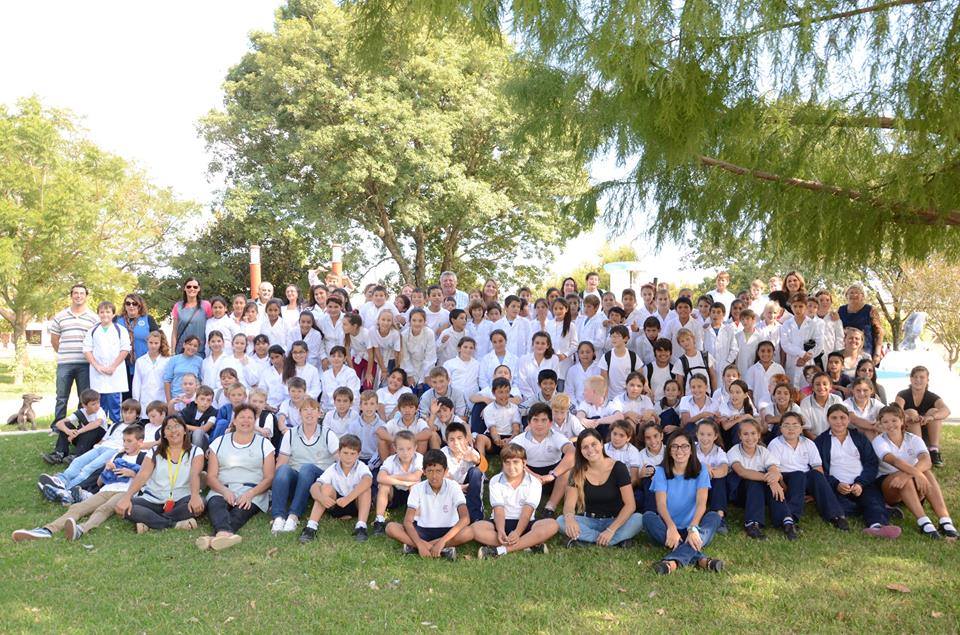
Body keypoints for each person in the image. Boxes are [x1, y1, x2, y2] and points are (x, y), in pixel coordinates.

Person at [13, 425, 147, 543]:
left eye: (129, 441)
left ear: (140, 442)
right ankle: (47, 530)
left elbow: (148, 482)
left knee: (104, 509)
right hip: (106, 489)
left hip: (125, 492)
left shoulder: (145, 458)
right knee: (78, 507)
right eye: (124, 440)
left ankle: (81, 529)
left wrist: (133, 474)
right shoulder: (117, 455)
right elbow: (100, 482)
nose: (125, 444)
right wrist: (106, 471)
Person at [643, 429, 724, 574]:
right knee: (648, 517)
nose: (679, 450)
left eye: (684, 446)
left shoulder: (701, 471)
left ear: (691, 450)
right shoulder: (660, 472)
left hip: (693, 527)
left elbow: (701, 504)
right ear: (669, 450)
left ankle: (672, 562)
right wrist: (671, 528)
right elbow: (661, 505)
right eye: (674, 446)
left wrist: (693, 528)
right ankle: (700, 559)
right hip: (668, 528)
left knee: (714, 517)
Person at [814, 404, 901, 539]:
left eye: (842, 417)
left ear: (848, 419)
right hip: (836, 486)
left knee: (871, 499)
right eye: (834, 418)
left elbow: (871, 463)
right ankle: (879, 508)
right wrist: (836, 484)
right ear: (828, 419)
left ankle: (877, 526)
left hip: (861, 484)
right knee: (840, 508)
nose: (838, 421)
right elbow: (819, 469)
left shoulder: (859, 437)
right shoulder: (821, 441)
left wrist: (860, 483)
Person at [198, 404, 276, 551]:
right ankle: (225, 535)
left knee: (240, 512)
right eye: (242, 417)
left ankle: (215, 537)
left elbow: (269, 477)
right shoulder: (219, 442)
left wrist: (250, 494)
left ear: (255, 421)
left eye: (250, 418)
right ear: (234, 420)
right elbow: (211, 477)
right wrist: (224, 491)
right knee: (216, 505)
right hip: (223, 487)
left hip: (251, 490)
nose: (246, 421)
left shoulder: (264, 444)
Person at [873, 405, 956, 538]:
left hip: (913, 484)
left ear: (902, 421)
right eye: (885, 422)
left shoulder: (913, 439)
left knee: (926, 473)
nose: (890, 425)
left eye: (894, 420)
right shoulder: (879, 441)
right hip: (889, 487)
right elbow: (894, 461)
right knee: (909, 474)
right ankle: (924, 522)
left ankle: (945, 520)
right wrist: (915, 474)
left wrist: (910, 475)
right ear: (881, 424)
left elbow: (927, 461)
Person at [38, 398, 141, 504]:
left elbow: (138, 445)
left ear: (137, 414)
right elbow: (104, 439)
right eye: (124, 412)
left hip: (114, 451)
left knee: (89, 468)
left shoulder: (137, 429)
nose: (127, 415)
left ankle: (66, 488)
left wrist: (120, 452)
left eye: (130, 413)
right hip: (101, 447)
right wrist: (96, 447)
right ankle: (61, 480)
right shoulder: (115, 425)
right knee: (78, 461)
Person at [114, 415, 205, 533]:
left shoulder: (196, 451)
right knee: (128, 506)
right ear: (164, 434)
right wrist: (127, 497)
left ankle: (150, 521)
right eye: (168, 428)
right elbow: (142, 475)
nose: (173, 430)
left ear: (184, 430)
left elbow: (195, 475)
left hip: (181, 499)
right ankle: (174, 524)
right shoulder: (154, 451)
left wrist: (195, 495)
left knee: (201, 501)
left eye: (177, 426)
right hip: (153, 499)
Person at [556, 429, 644, 548]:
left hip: (616, 521)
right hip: (589, 521)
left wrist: (610, 530)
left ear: (601, 444)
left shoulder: (618, 468)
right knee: (561, 521)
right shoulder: (577, 471)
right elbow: (569, 505)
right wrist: (570, 519)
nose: (590, 450)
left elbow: (630, 505)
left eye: (594, 444)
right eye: (585, 447)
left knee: (639, 519)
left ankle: (588, 540)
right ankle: (614, 541)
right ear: (580, 451)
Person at [385, 449, 475, 560]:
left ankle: (418, 547)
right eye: (430, 471)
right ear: (424, 471)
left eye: (438, 471)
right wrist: (420, 544)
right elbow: (408, 521)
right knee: (390, 528)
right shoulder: (417, 488)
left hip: (448, 531)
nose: (434, 476)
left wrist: (442, 541)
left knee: (469, 532)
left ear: (446, 471)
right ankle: (436, 549)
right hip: (423, 530)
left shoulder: (454, 486)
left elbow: (465, 518)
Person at [474, 443, 560, 559]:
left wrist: (518, 532)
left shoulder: (534, 482)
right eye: (507, 462)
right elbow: (499, 510)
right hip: (500, 523)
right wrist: (500, 531)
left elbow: (527, 512)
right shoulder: (495, 480)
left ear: (524, 463)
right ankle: (528, 544)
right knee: (476, 528)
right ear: (502, 463)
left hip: (526, 524)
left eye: (515, 462)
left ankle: (500, 550)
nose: (511, 467)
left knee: (552, 525)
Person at [767, 412, 847, 533]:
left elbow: (817, 468)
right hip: (784, 479)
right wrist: (784, 488)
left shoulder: (808, 443)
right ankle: (791, 518)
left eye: (795, 425)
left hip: (804, 478)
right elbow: (774, 471)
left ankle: (836, 515)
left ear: (801, 429)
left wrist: (814, 492)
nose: (791, 428)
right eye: (786, 425)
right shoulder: (775, 444)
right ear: (781, 428)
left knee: (816, 474)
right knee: (798, 475)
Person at [299, 434, 373, 543]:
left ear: (359, 454)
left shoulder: (361, 467)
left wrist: (347, 499)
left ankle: (361, 527)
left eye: (353, 453)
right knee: (325, 488)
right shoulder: (332, 468)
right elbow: (314, 487)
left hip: (355, 504)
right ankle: (311, 527)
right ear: (339, 452)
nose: (348, 457)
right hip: (336, 505)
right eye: (345, 453)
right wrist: (321, 498)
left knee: (365, 489)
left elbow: (368, 480)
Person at [726, 418, 789, 540]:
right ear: (740, 436)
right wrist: (770, 480)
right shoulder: (734, 451)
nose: (750, 437)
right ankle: (752, 524)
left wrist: (774, 480)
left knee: (772, 484)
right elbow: (742, 472)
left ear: (759, 435)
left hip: (759, 496)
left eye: (753, 433)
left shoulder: (763, 451)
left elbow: (773, 468)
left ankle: (786, 520)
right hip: (740, 494)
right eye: (745, 434)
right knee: (754, 481)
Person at [49, 283, 99, 425]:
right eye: (75, 293)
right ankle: (58, 426)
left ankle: (81, 425)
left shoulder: (93, 318)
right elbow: (54, 340)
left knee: (83, 398)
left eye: (82, 293)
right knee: (61, 397)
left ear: (86, 296)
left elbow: (97, 341)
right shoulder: (60, 316)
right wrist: (64, 353)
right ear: (71, 296)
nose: (78, 296)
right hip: (65, 363)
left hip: (85, 363)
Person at [83, 301, 131, 423]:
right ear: (98, 314)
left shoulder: (120, 330)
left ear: (113, 314)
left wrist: (113, 366)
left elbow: (125, 349)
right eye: (102, 312)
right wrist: (97, 366)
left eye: (108, 312)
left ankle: (116, 430)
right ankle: (100, 431)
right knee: (98, 408)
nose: (105, 314)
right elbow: (87, 350)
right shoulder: (92, 331)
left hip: (115, 375)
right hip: (98, 375)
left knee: (115, 407)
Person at [895, 366, 950, 467]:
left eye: (922, 377)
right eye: (915, 377)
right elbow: (896, 412)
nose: (918, 380)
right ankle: (919, 451)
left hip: (927, 433)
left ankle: (934, 451)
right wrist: (908, 417)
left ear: (927, 380)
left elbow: (946, 410)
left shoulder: (932, 396)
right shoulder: (902, 394)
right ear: (911, 379)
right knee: (911, 412)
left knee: (934, 412)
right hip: (908, 433)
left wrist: (930, 417)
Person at [371, 430, 423, 535]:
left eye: (409, 449)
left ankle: (415, 520)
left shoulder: (419, 458)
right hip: (395, 492)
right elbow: (380, 477)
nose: (405, 453)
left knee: (415, 485)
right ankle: (379, 520)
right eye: (401, 449)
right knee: (384, 485)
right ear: (395, 448)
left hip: (411, 493)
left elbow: (416, 476)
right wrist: (403, 482)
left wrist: (393, 476)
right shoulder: (390, 460)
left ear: (415, 448)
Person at [42, 389, 106, 465]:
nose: (97, 406)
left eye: (98, 402)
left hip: (97, 440)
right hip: (83, 440)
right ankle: (60, 454)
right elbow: (59, 423)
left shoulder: (100, 411)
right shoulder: (81, 412)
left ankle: (79, 456)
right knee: (67, 425)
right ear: (84, 405)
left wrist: (78, 432)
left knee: (92, 429)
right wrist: (68, 431)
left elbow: (97, 423)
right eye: (93, 404)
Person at [115, 293, 159, 397]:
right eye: (128, 303)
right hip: (123, 364)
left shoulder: (148, 319)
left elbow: (158, 339)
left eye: (134, 303)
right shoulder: (117, 320)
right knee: (126, 397)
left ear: (140, 305)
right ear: (125, 305)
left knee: (144, 394)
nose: (131, 306)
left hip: (143, 363)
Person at [838, 283, 884, 364]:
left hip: (865, 351)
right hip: (846, 351)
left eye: (857, 293)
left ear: (862, 296)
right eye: (851, 293)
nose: (854, 295)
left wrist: (877, 353)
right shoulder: (841, 310)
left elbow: (879, 332)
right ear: (846, 296)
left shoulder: (870, 310)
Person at [132, 330, 171, 418]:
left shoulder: (167, 360)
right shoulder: (140, 361)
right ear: (147, 342)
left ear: (160, 343)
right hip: (145, 400)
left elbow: (169, 381)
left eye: (156, 343)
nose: (153, 346)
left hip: (161, 399)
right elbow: (136, 383)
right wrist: (136, 402)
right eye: (151, 343)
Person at [170, 277, 212, 355]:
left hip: (200, 351)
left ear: (199, 289)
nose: (192, 289)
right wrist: (173, 351)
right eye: (189, 286)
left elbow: (213, 325)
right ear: (184, 288)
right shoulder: (178, 306)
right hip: (181, 351)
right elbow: (175, 331)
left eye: (195, 287)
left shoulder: (206, 305)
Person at [162, 335, 204, 405]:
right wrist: (169, 402)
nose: (192, 347)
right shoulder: (174, 359)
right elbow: (167, 381)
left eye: (195, 346)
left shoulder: (199, 361)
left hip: (192, 400)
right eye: (190, 344)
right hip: (176, 398)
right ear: (184, 345)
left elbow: (200, 380)